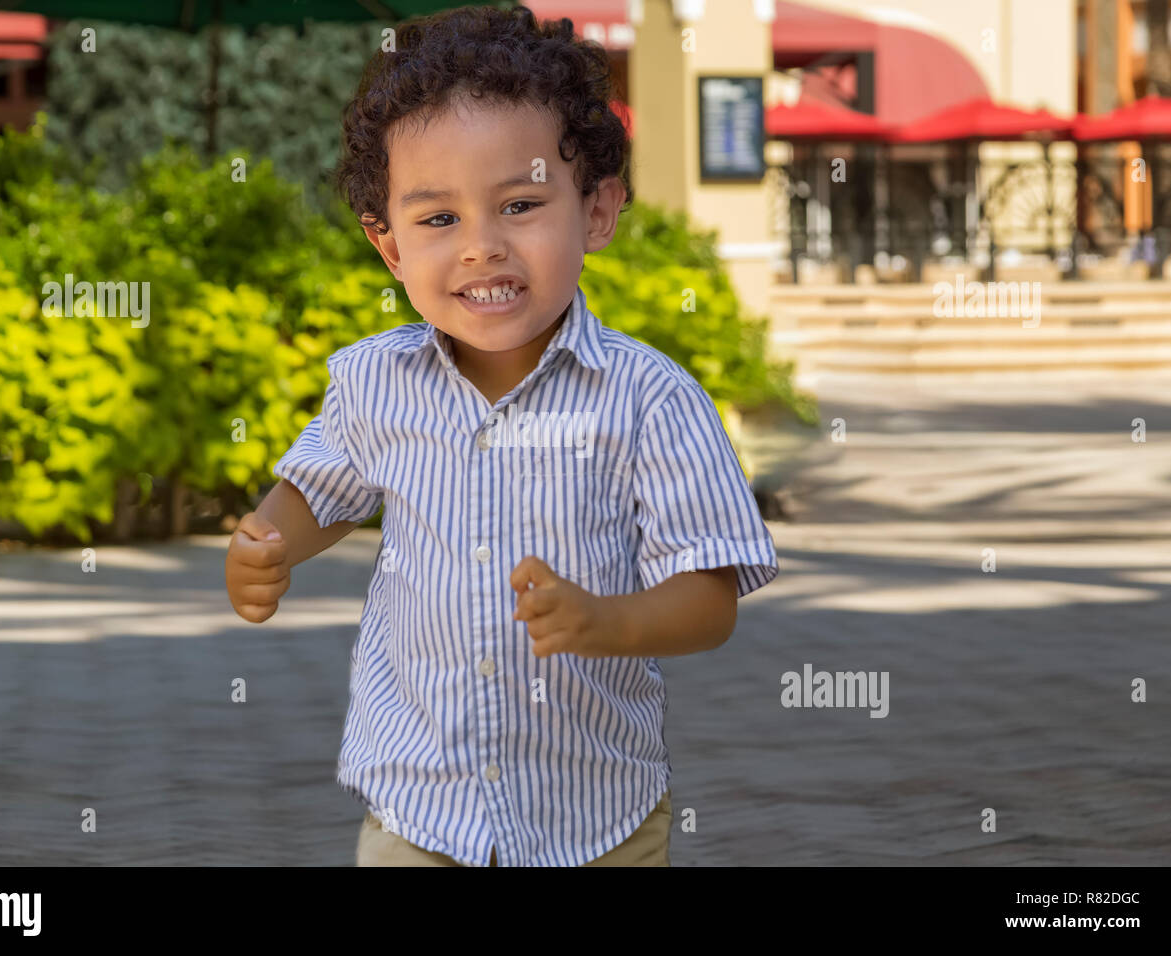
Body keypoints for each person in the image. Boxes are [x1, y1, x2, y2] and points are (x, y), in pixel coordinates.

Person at [225, 4, 779, 867]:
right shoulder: (377, 382)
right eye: (438, 220)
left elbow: (709, 601)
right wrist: (267, 544)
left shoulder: (651, 401)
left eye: (520, 204)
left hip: (598, 814)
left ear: (596, 212)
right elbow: (320, 487)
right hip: (421, 803)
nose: (482, 248)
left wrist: (608, 620)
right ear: (390, 248)